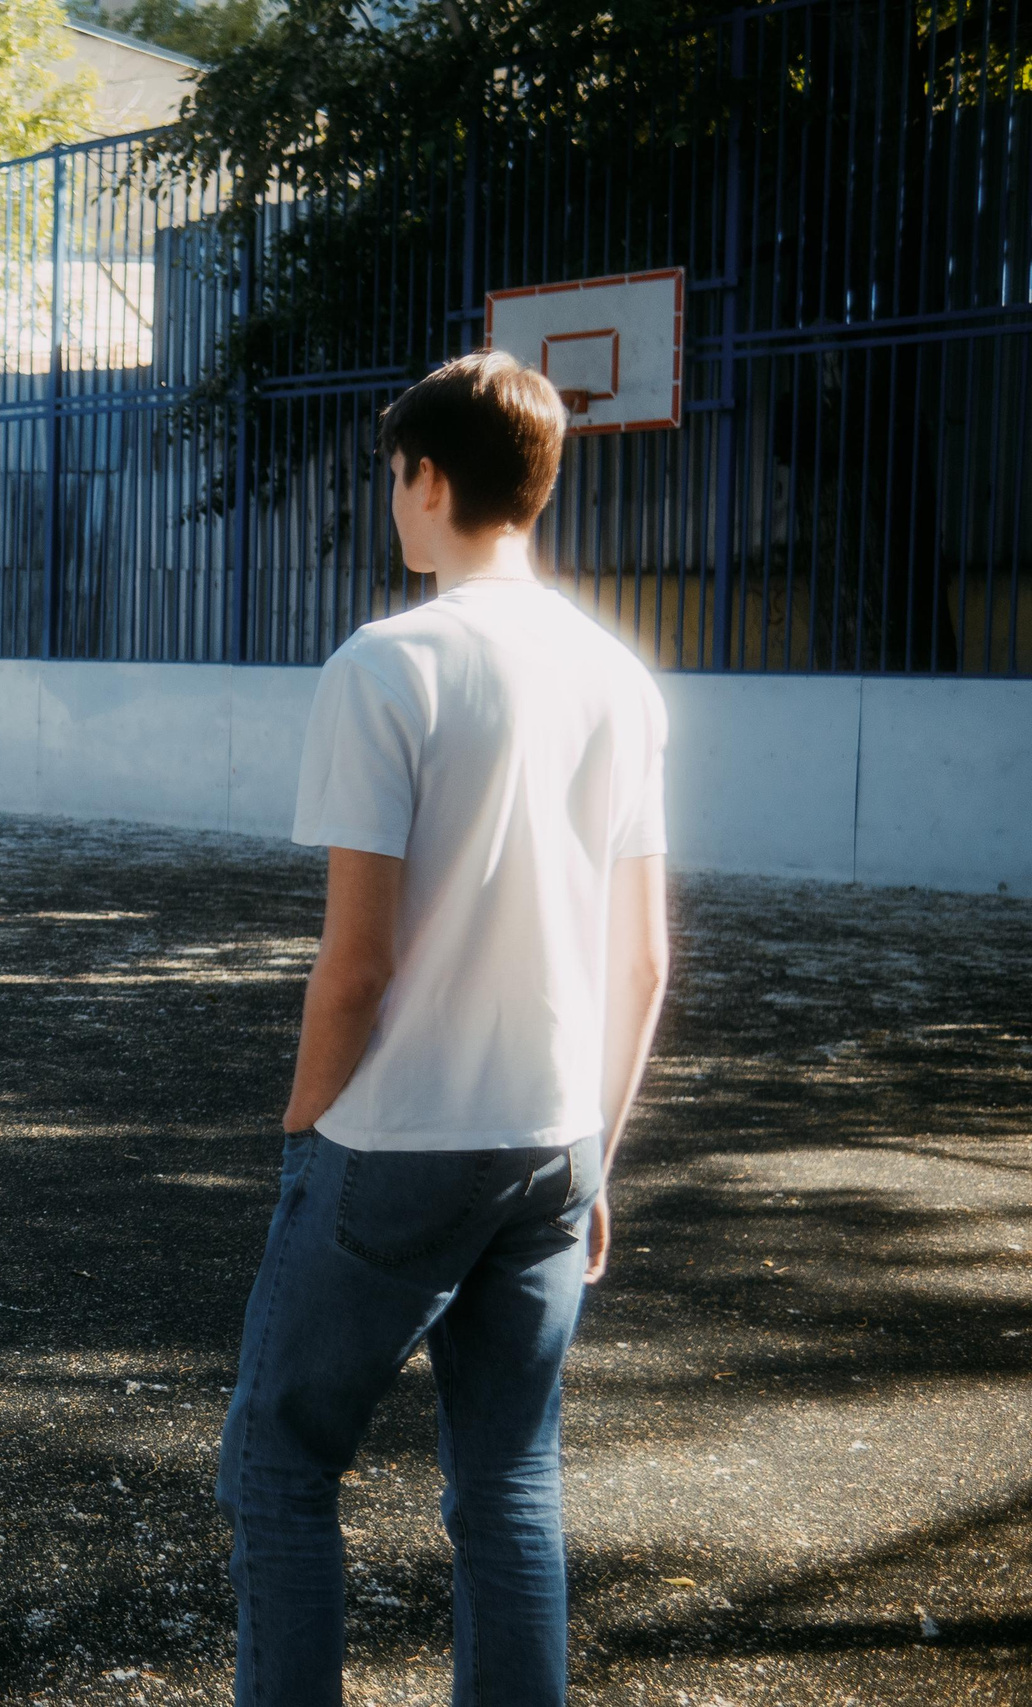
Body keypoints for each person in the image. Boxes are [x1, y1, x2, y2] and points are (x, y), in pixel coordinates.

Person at [216, 350, 671, 1706]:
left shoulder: (386, 665)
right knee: (511, 1487)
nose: (393, 502)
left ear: (426, 477)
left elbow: (353, 966)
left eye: (394, 477)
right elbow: (641, 956)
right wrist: (598, 1152)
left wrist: (305, 1135)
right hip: (550, 1141)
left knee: (281, 1466)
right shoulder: (618, 676)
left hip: (394, 1141)